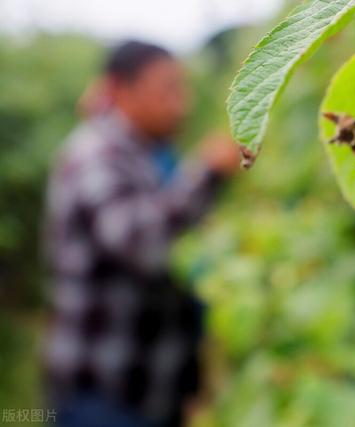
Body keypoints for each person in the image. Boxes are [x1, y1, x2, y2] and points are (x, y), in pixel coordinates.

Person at [43, 40, 240, 427]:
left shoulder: (146, 152)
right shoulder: (95, 155)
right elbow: (142, 244)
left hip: (150, 391)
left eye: (181, 89)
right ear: (121, 90)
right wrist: (207, 172)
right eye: (167, 89)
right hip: (103, 395)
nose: (181, 104)